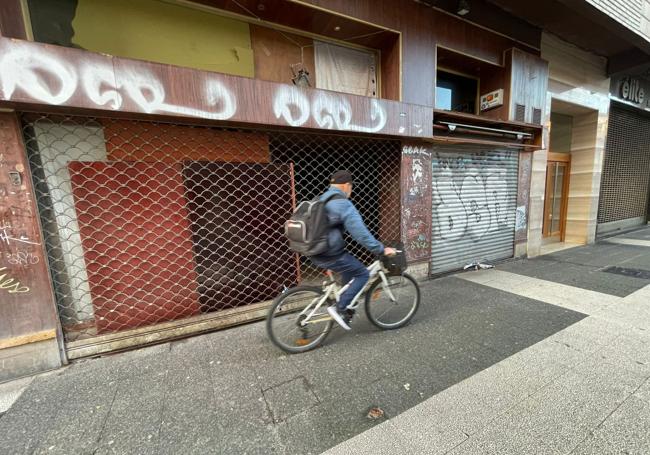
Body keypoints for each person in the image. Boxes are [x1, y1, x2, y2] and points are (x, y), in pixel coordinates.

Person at [310, 170, 396, 330]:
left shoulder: (323, 198)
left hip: (314, 250)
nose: (351, 190)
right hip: (329, 253)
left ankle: (346, 301)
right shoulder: (343, 204)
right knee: (362, 273)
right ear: (346, 185)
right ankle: (340, 308)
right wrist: (381, 249)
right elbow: (361, 234)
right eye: (351, 187)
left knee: (349, 269)